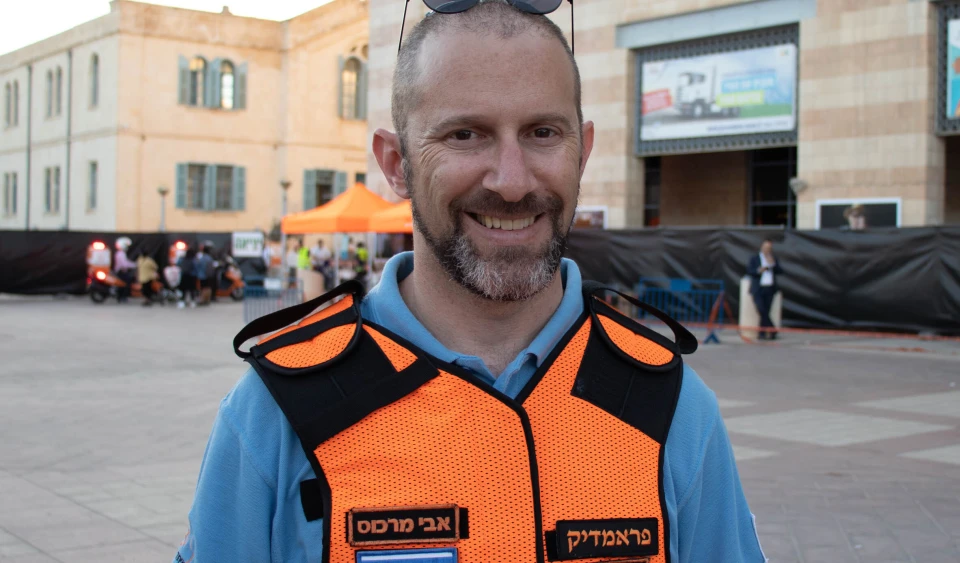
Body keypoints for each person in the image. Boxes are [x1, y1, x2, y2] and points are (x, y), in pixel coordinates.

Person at [177, 2, 765, 562]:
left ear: (582, 153)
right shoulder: (276, 410)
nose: (511, 182)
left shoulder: (671, 406)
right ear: (396, 163)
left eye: (542, 133)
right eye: (465, 134)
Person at [747, 239, 783, 340]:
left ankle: (762, 333)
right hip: (758, 288)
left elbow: (780, 271)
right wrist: (759, 270)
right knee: (761, 309)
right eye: (766, 247)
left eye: (769, 248)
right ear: (762, 247)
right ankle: (772, 330)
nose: (767, 250)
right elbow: (750, 271)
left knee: (766, 311)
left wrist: (773, 265)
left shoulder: (773, 258)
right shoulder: (755, 258)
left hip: (770, 288)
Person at [112, 237, 137, 303]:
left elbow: (126, 262)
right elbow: (124, 264)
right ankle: (122, 297)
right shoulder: (121, 254)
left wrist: (133, 264)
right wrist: (134, 265)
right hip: (121, 272)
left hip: (121, 271)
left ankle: (121, 297)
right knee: (125, 284)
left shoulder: (120, 253)